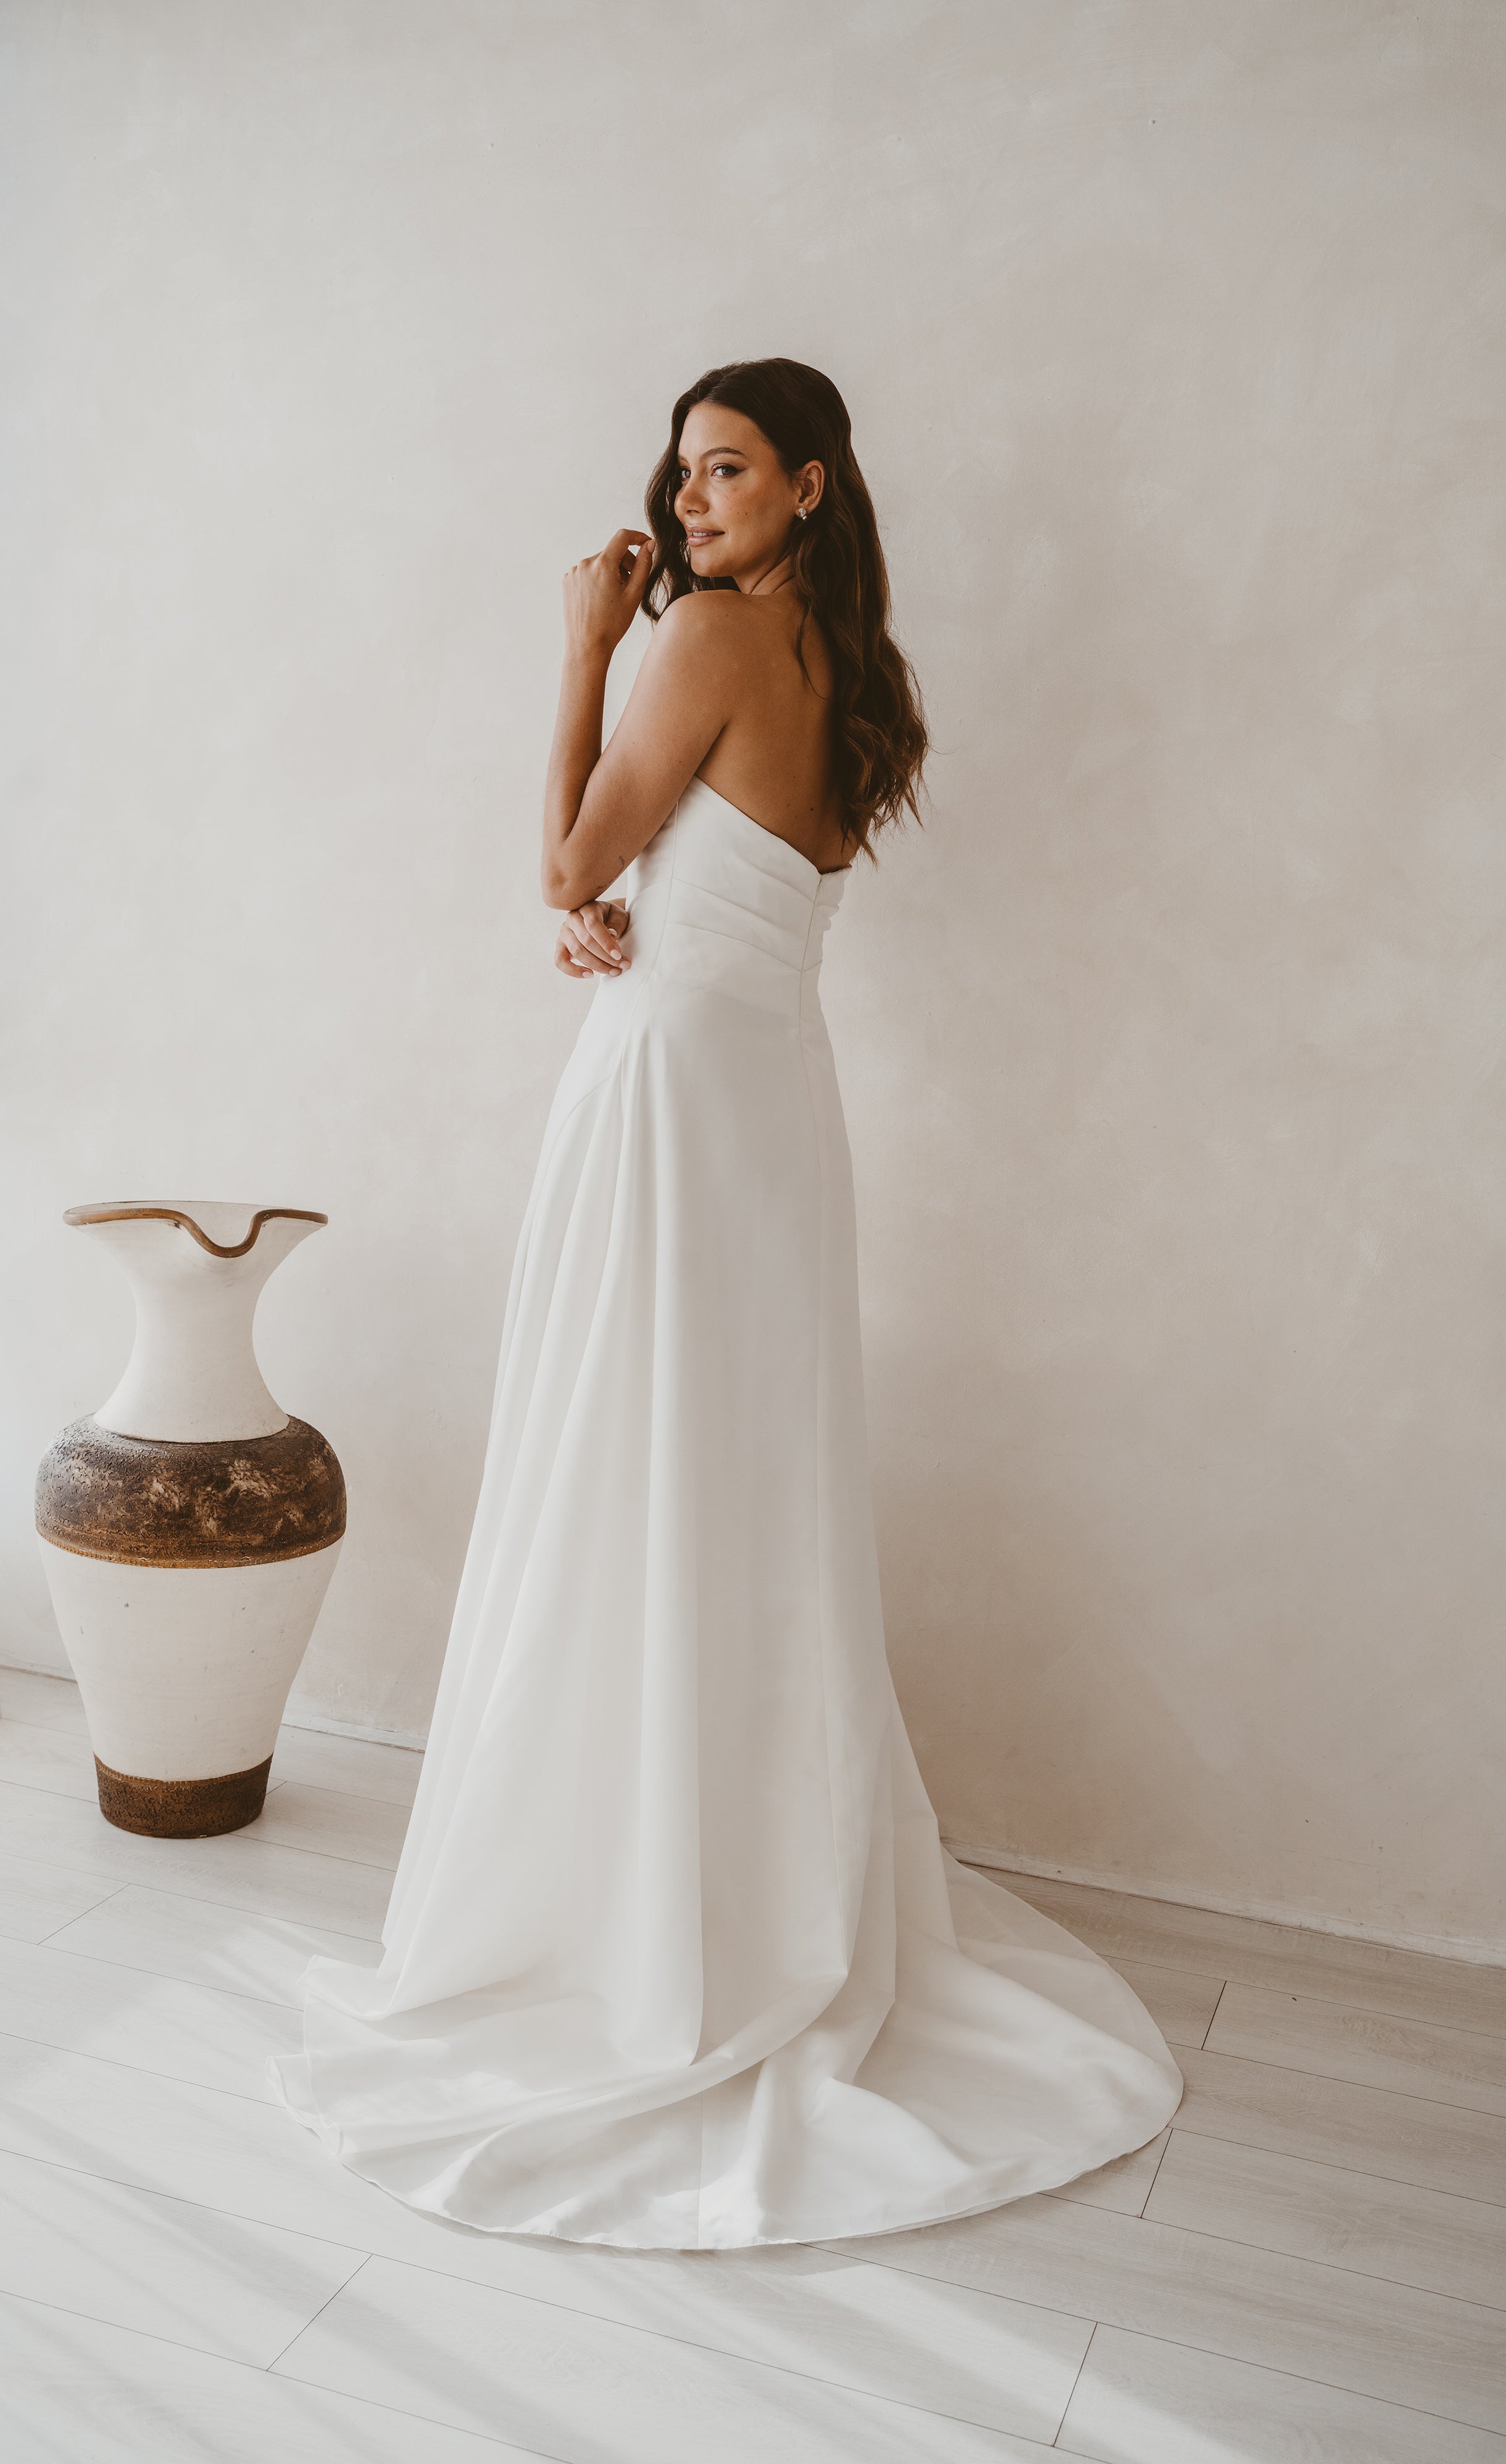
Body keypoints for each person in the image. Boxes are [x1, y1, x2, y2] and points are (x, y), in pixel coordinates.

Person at [271, 358, 1182, 2248]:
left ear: (813, 489)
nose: (689, 502)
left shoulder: (693, 642)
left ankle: (632, 1902)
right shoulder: (846, 673)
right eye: (679, 473)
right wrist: (621, 917)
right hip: (764, 1090)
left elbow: (570, 853)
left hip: (673, 1092)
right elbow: (693, 879)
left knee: (635, 1459)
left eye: (728, 469)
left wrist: (585, 643)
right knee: (728, 1480)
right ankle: (726, 1872)